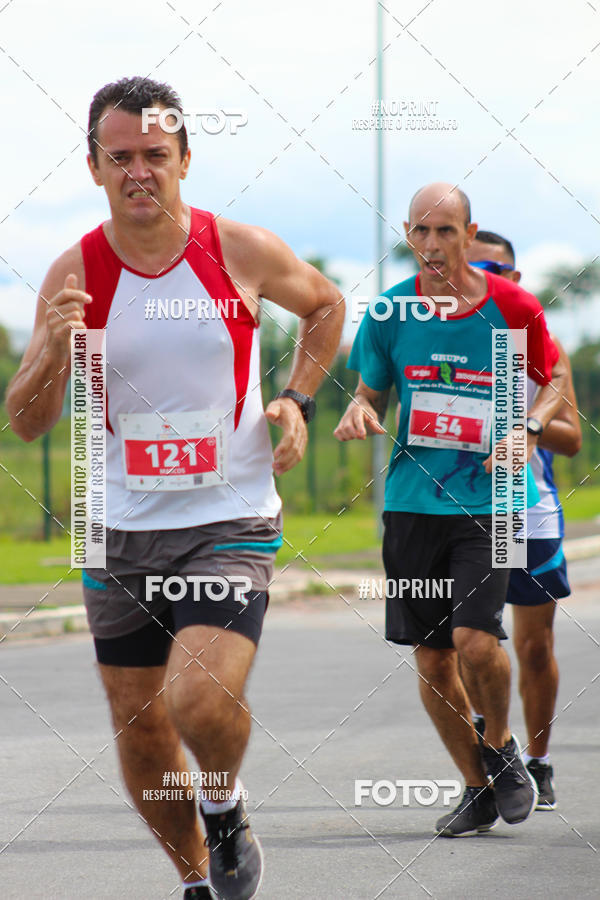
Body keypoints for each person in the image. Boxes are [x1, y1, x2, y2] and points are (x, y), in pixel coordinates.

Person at [6, 76, 344, 900]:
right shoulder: (73, 271)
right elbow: (24, 420)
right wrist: (51, 349)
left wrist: (296, 399)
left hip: (226, 518)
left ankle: (224, 809)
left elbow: (327, 306)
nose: (139, 173)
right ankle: (197, 878)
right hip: (114, 527)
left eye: (155, 155)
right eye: (119, 158)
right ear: (94, 168)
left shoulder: (238, 250)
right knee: (140, 722)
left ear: (185, 158)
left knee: (198, 697)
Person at [334, 182, 568, 837]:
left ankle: (500, 748)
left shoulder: (513, 308)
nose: (432, 245)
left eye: (446, 232)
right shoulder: (388, 314)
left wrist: (526, 429)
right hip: (412, 505)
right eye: (421, 232)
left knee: (475, 637)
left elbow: (550, 382)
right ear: (409, 235)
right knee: (434, 659)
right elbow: (369, 397)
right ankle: (478, 786)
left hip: (494, 502)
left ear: (470, 235)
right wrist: (359, 412)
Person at [466, 230, 581, 809]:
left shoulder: (540, 344)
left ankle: (539, 761)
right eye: (479, 270)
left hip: (526, 511)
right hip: (459, 509)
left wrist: (524, 422)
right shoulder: (440, 340)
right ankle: (492, 757)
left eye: (501, 272)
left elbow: (574, 439)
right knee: (470, 643)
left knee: (534, 647)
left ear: (514, 280)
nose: (492, 281)